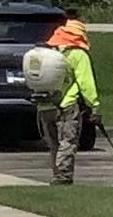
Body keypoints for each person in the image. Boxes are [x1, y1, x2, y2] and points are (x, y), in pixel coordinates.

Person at [40, 14, 102, 185]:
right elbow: (86, 83)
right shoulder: (78, 54)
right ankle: (63, 177)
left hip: (45, 105)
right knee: (67, 142)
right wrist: (94, 106)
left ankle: (56, 174)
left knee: (54, 144)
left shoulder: (47, 52)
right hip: (66, 105)